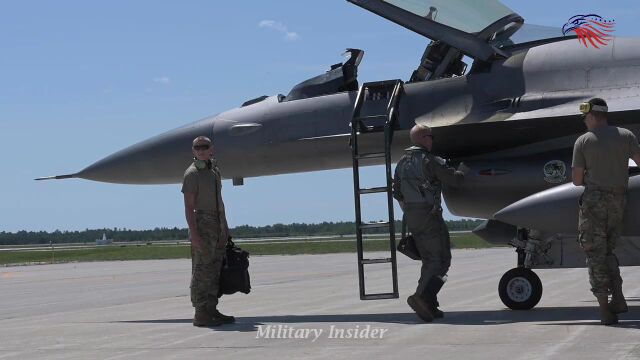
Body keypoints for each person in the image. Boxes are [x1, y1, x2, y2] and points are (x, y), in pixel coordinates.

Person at [572, 98, 640, 325]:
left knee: (594, 256)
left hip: (594, 203)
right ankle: (618, 296)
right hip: (619, 201)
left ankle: (605, 310)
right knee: (609, 251)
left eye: (585, 118)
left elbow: (576, 180)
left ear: (591, 116)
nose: (585, 122)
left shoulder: (583, 141)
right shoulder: (626, 135)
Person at [393, 124, 467, 322]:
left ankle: (429, 303)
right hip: (429, 216)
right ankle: (422, 297)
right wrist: (464, 169)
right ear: (424, 139)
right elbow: (455, 180)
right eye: (430, 137)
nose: (432, 140)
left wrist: (410, 210)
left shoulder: (401, 162)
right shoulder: (430, 161)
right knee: (442, 260)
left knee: (429, 260)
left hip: (411, 216)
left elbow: (397, 192)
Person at [182, 136, 235, 327]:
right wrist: (194, 233)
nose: (201, 150)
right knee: (202, 270)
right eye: (197, 147)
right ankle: (200, 313)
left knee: (214, 269)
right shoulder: (192, 174)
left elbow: (220, 201)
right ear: (193, 150)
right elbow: (189, 207)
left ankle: (211, 309)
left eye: (204, 147)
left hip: (217, 224)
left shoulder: (214, 171)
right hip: (202, 223)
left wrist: (225, 227)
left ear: (211, 149)